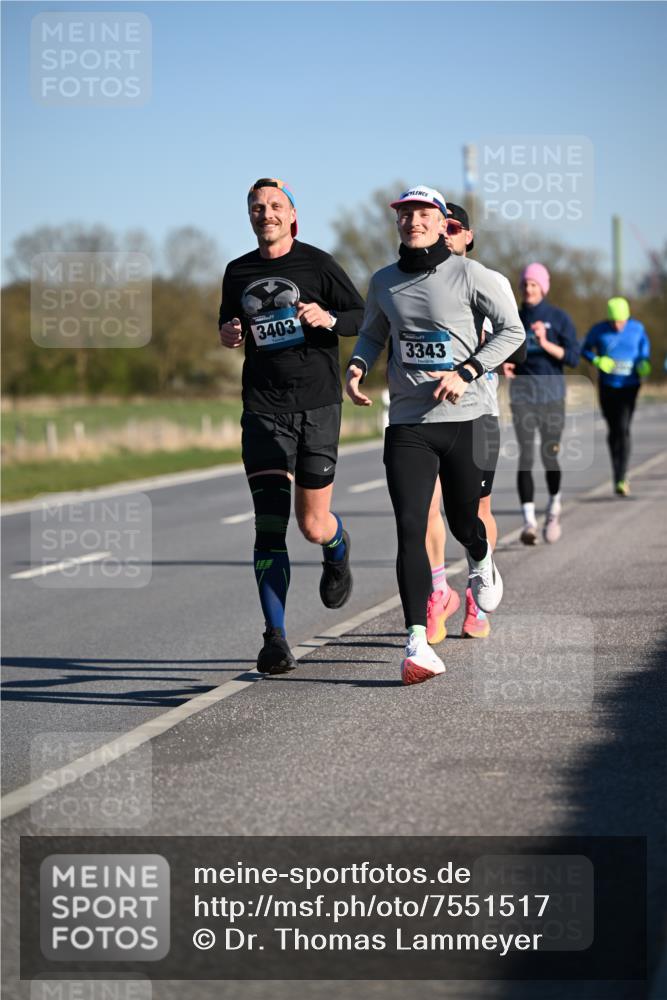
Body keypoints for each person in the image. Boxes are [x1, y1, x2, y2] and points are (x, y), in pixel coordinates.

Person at [346, 185, 525, 686]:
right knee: (409, 526)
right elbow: (374, 331)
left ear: (443, 222)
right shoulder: (384, 281)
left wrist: (467, 371)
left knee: (466, 521)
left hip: (469, 418)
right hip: (409, 423)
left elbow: (512, 332)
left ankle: (481, 560)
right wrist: (358, 365)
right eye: (405, 214)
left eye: (423, 214)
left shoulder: (472, 275)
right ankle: (417, 642)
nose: (413, 221)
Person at [219, 178, 365, 674]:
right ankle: (275, 638)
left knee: (312, 525)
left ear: (292, 214)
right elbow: (229, 326)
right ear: (250, 216)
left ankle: (337, 548)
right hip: (263, 407)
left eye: (275, 206)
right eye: (257, 207)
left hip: (318, 405)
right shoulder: (237, 272)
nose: (267, 213)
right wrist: (229, 332)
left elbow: (362, 316)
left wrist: (329, 318)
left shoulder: (318, 264)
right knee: (269, 524)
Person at [425, 203, 521, 644]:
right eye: (439, 225)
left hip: (478, 411)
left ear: (468, 235)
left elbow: (516, 344)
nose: (445, 233)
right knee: (427, 506)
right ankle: (437, 592)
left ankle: (476, 593)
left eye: (454, 227)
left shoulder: (490, 280)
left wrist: (477, 349)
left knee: (476, 510)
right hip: (424, 413)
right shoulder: (414, 279)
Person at [502, 263, 579, 545]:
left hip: (552, 397)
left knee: (549, 455)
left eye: (533, 284)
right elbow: (501, 349)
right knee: (525, 456)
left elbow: (573, 358)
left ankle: (554, 507)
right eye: (524, 284)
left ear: (543, 288)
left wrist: (545, 343)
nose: (528, 289)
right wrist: (504, 364)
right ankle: (529, 522)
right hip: (522, 396)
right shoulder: (513, 317)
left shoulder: (558, 318)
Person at [581, 296, 651, 495]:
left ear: (627, 317)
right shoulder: (599, 330)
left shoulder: (637, 329)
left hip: (630, 386)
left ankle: (622, 476)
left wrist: (643, 362)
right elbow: (584, 349)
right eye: (614, 321)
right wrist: (597, 360)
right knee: (613, 430)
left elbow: (644, 349)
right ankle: (617, 473)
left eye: (621, 321)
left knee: (623, 427)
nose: (617, 326)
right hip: (607, 386)